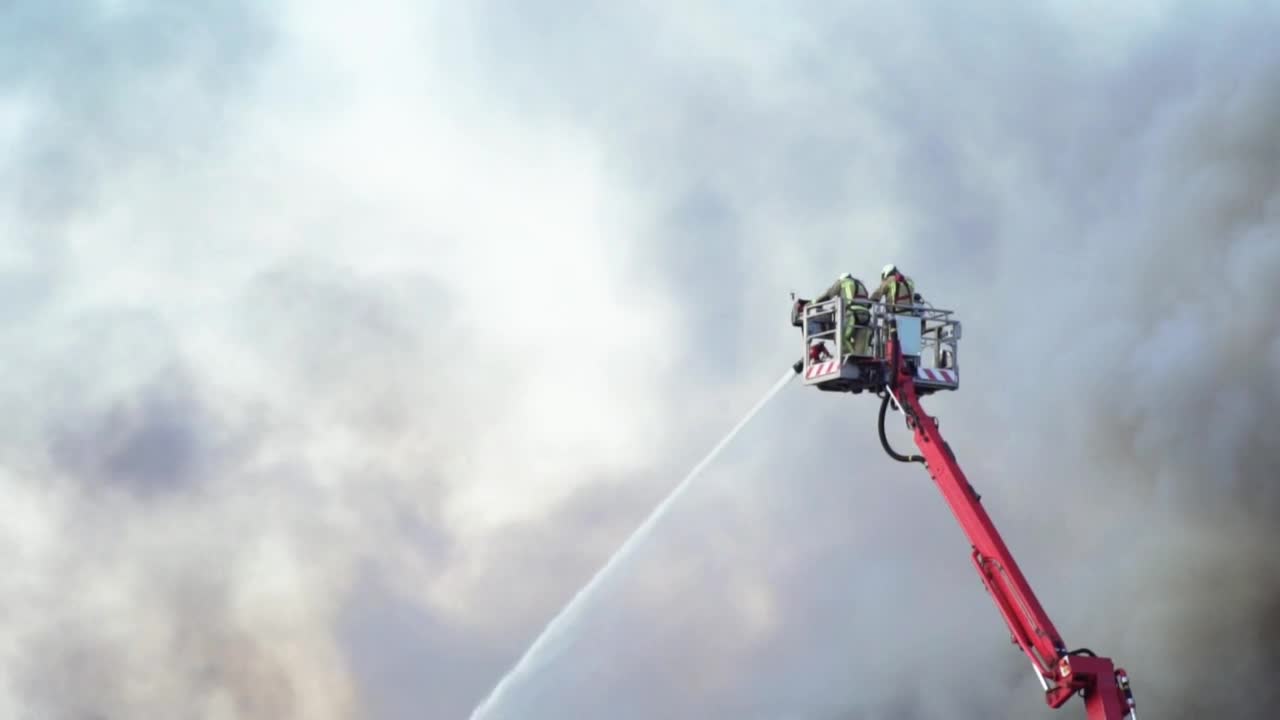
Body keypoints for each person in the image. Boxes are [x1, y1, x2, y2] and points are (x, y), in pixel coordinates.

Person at [813, 272, 872, 357]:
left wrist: (814, 303)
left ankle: (848, 357)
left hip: (852, 314)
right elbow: (868, 304)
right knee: (860, 347)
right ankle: (859, 359)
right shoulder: (861, 286)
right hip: (866, 316)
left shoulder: (842, 282)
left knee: (841, 338)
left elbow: (829, 294)